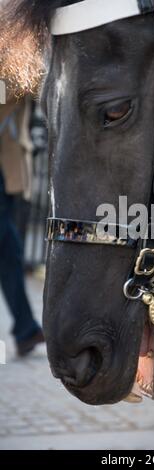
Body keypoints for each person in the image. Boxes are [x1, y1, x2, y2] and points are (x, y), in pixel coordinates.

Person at [0, 95, 44, 356]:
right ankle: (26, 329)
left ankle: (26, 329)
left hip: (5, 168)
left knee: (9, 252)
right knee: (8, 246)